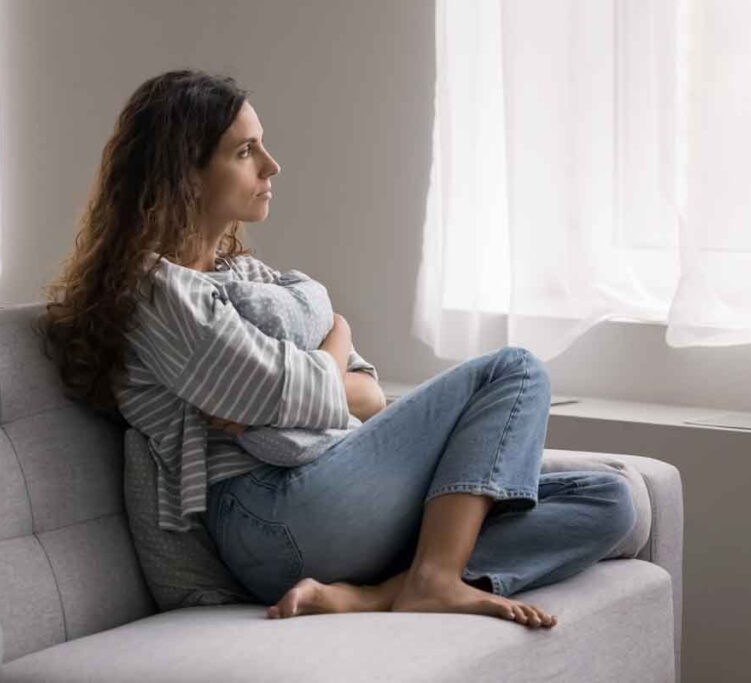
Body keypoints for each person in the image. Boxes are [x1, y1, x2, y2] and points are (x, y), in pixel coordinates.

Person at [37, 69, 638, 631]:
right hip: (270, 514)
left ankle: (380, 593)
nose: (272, 165)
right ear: (184, 175)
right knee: (515, 370)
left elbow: (369, 397)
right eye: (245, 151)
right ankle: (431, 578)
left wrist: (321, 370)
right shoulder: (156, 290)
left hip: (333, 496)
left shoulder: (251, 278)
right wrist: (335, 346)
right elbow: (275, 390)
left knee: (609, 500)